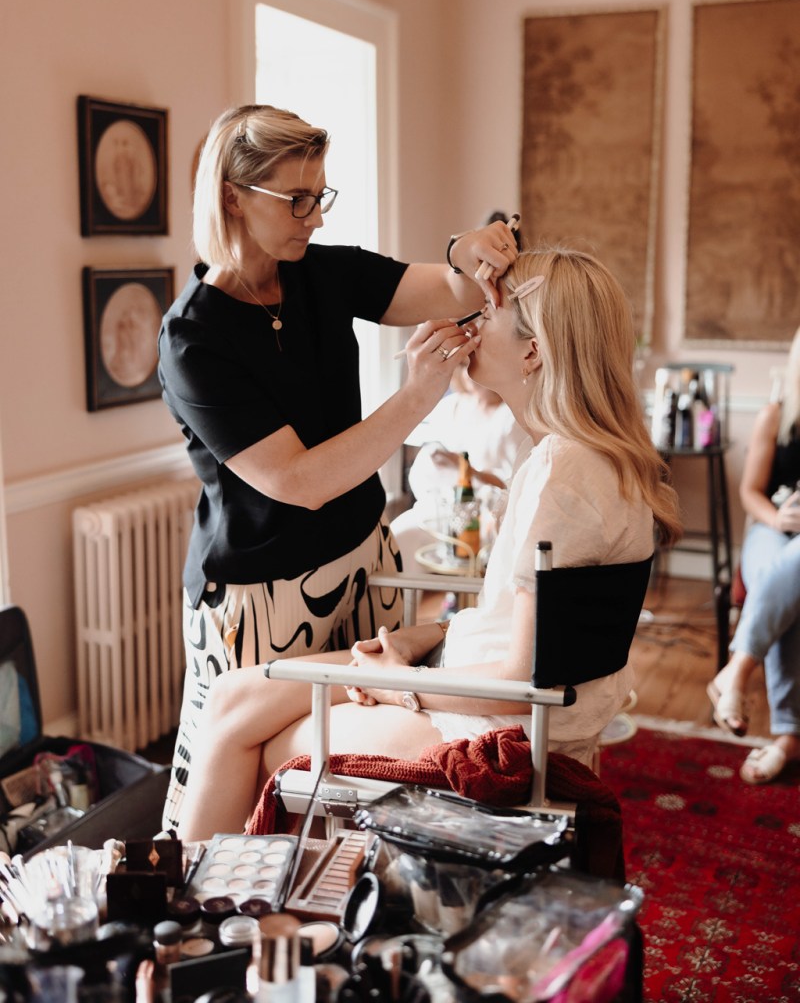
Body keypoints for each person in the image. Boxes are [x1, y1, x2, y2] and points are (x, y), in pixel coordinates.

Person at [175, 246, 682, 841]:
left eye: (485, 315)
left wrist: (398, 685)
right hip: (475, 682)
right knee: (233, 695)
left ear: (533, 351)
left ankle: (202, 900)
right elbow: (533, 635)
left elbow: (527, 684)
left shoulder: (563, 475)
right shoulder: (579, 456)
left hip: (496, 730)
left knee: (265, 743)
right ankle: (189, 886)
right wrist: (428, 636)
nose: (468, 323)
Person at [156, 103, 519, 830]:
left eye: (320, 194)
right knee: (254, 792)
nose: (313, 216)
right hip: (264, 595)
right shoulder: (193, 340)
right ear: (232, 194)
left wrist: (471, 250)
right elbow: (302, 482)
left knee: (355, 797)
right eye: (295, 199)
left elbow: (449, 289)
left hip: (363, 564)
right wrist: (416, 397)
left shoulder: (322, 273)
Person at [706, 324, 800, 784]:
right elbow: (749, 492)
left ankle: (735, 672)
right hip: (772, 527)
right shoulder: (776, 416)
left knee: (792, 574)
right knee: (783, 577)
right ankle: (789, 733)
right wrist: (778, 519)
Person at [389, 363, 528, 568]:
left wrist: (466, 469)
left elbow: (514, 484)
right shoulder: (450, 406)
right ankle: (403, 598)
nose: (468, 374)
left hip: (485, 514)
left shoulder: (511, 417)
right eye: (463, 365)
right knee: (399, 533)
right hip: (440, 508)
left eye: (475, 367)